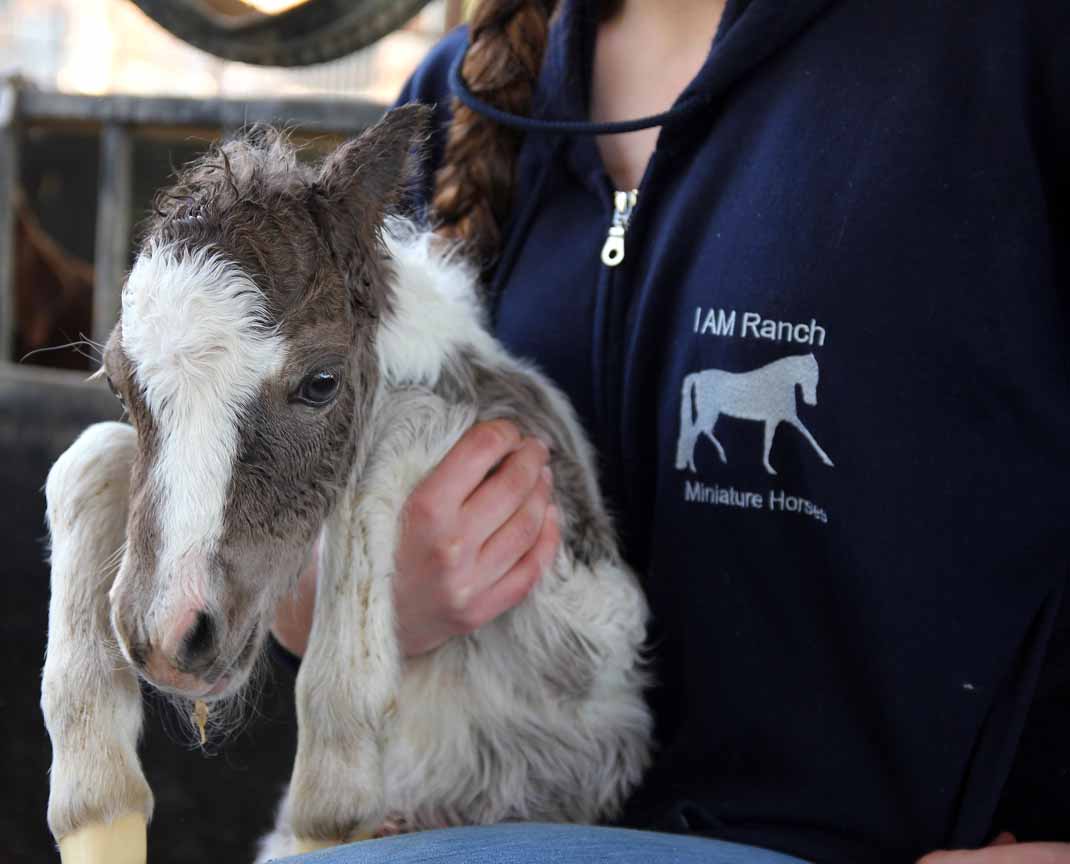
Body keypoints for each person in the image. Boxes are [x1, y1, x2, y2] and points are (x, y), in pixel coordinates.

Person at [272, 0, 1070, 860]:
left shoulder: (1011, 45)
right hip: (488, 834)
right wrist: (347, 604)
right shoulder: (455, 97)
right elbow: (271, 584)